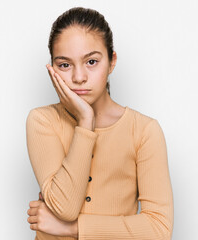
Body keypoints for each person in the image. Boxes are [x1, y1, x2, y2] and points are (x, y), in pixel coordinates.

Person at [25, 6, 174, 240]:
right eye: (65, 64)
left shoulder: (144, 131)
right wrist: (86, 121)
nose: (79, 77)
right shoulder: (42, 121)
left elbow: (159, 229)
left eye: (91, 62)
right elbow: (65, 207)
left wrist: (73, 229)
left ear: (111, 61)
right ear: (52, 68)